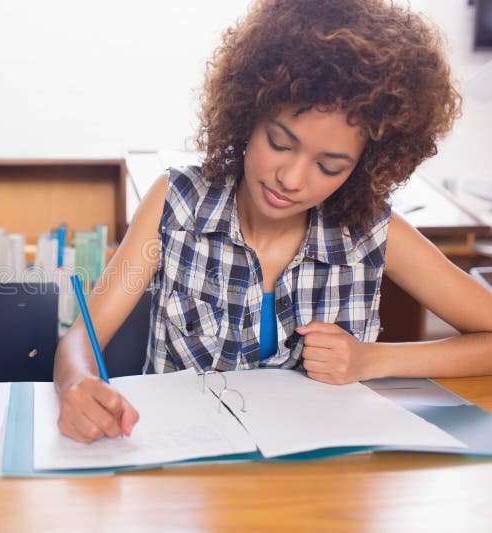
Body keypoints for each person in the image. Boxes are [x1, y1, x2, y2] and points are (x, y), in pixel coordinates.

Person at [53, 0, 492, 444]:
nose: (292, 179)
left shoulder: (374, 232)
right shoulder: (176, 203)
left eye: (330, 167)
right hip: (187, 485)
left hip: (321, 488)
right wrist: (76, 383)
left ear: (365, 166)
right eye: (280, 143)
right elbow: (81, 340)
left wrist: (373, 360)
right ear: (249, 112)